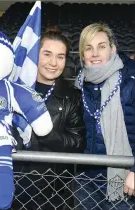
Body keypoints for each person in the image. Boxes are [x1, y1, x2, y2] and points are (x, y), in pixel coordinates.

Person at [11, 28, 86, 210]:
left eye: (60, 56)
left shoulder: (72, 96)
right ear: (35, 54)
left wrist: (46, 135)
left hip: (52, 191)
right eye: (47, 54)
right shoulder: (12, 89)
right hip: (11, 184)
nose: (53, 63)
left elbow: (78, 142)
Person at [75, 23, 135, 209]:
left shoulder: (130, 82)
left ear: (113, 49)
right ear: (82, 54)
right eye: (88, 48)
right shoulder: (79, 86)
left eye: (101, 46)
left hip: (125, 178)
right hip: (85, 179)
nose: (95, 54)